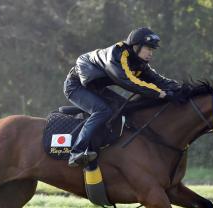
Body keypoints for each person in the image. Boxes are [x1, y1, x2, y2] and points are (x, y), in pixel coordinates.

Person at [63, 27, 180, 167]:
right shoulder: (118, 54)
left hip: (95, 87)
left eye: (152, 50)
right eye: (148, 48)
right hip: (75, 86)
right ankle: (76, 152)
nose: (151, 53)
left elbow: (158, 79)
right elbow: (127, 80)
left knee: (126, 108)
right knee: (102, 111)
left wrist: (181, 88)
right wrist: (158, 93)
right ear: (136, 46)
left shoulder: (139, 63)